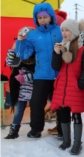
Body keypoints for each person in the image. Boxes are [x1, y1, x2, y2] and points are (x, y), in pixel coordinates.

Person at [15, 2, 63, 138]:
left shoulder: (60, 31)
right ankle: (35, 130)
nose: (42, 20)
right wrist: (20, 41)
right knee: (36, 103)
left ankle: (61, 129)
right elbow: (23, 55)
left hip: (59, 74)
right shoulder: (33, 35)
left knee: (61, 104)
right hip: (41, 75)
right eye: (39, 18)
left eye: (45, 17)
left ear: (51, 17)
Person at [50, 18, 84, 155]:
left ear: (73, 32)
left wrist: (80, 85)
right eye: (62, 30)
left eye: (66, 30)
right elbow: (55, 67)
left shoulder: (83, 50)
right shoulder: (61, 47)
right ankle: (66, 141)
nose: (64, 32)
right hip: (62, 88)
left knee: (77, 116)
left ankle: (77, 144)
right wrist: (56, 54)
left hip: (75, 88)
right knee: (63, 115)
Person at [4, 35, 35, 139]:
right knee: (19, 109)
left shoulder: (37, 52)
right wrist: (13, 48)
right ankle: (14, 131)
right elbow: (9, 61)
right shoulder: (17, 51)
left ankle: (34, 130)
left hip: (34, 85)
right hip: (19, 86)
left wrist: (27, 77)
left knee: (35, 109)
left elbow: (41, 71)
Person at [47, 9, 68, 140]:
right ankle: (59, 127)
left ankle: (61, 128)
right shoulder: (60, 21)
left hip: (58, 74)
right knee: (57, 102)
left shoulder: (57, 23)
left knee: (59, 102)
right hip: (54, 72)